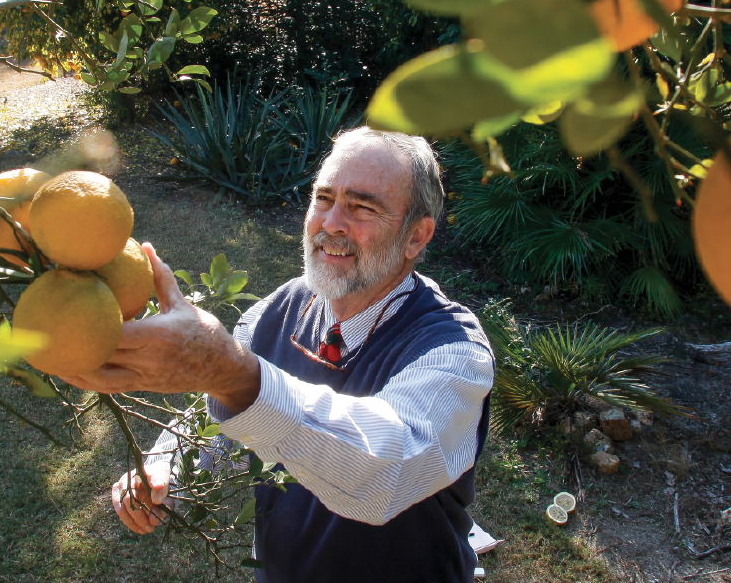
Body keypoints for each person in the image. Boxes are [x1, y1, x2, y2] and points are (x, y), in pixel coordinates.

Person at [60, 126, 495, 583]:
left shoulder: (452, 350)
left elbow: (386, 473)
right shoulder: (283, 307)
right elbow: (220, 416)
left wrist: (231, 373)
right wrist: (168, 464)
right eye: (323, 198)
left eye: (362, 207)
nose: (331, 224)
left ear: (415, 237)